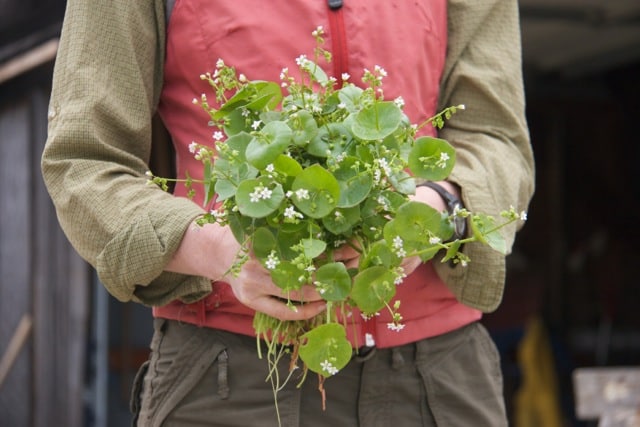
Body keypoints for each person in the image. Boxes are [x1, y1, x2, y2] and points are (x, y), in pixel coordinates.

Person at [41, 0, 535, 425]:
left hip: (439, 379)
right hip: (231, 380)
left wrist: (433, 208)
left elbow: (496, 138)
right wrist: (223, 251)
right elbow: (85, 160)